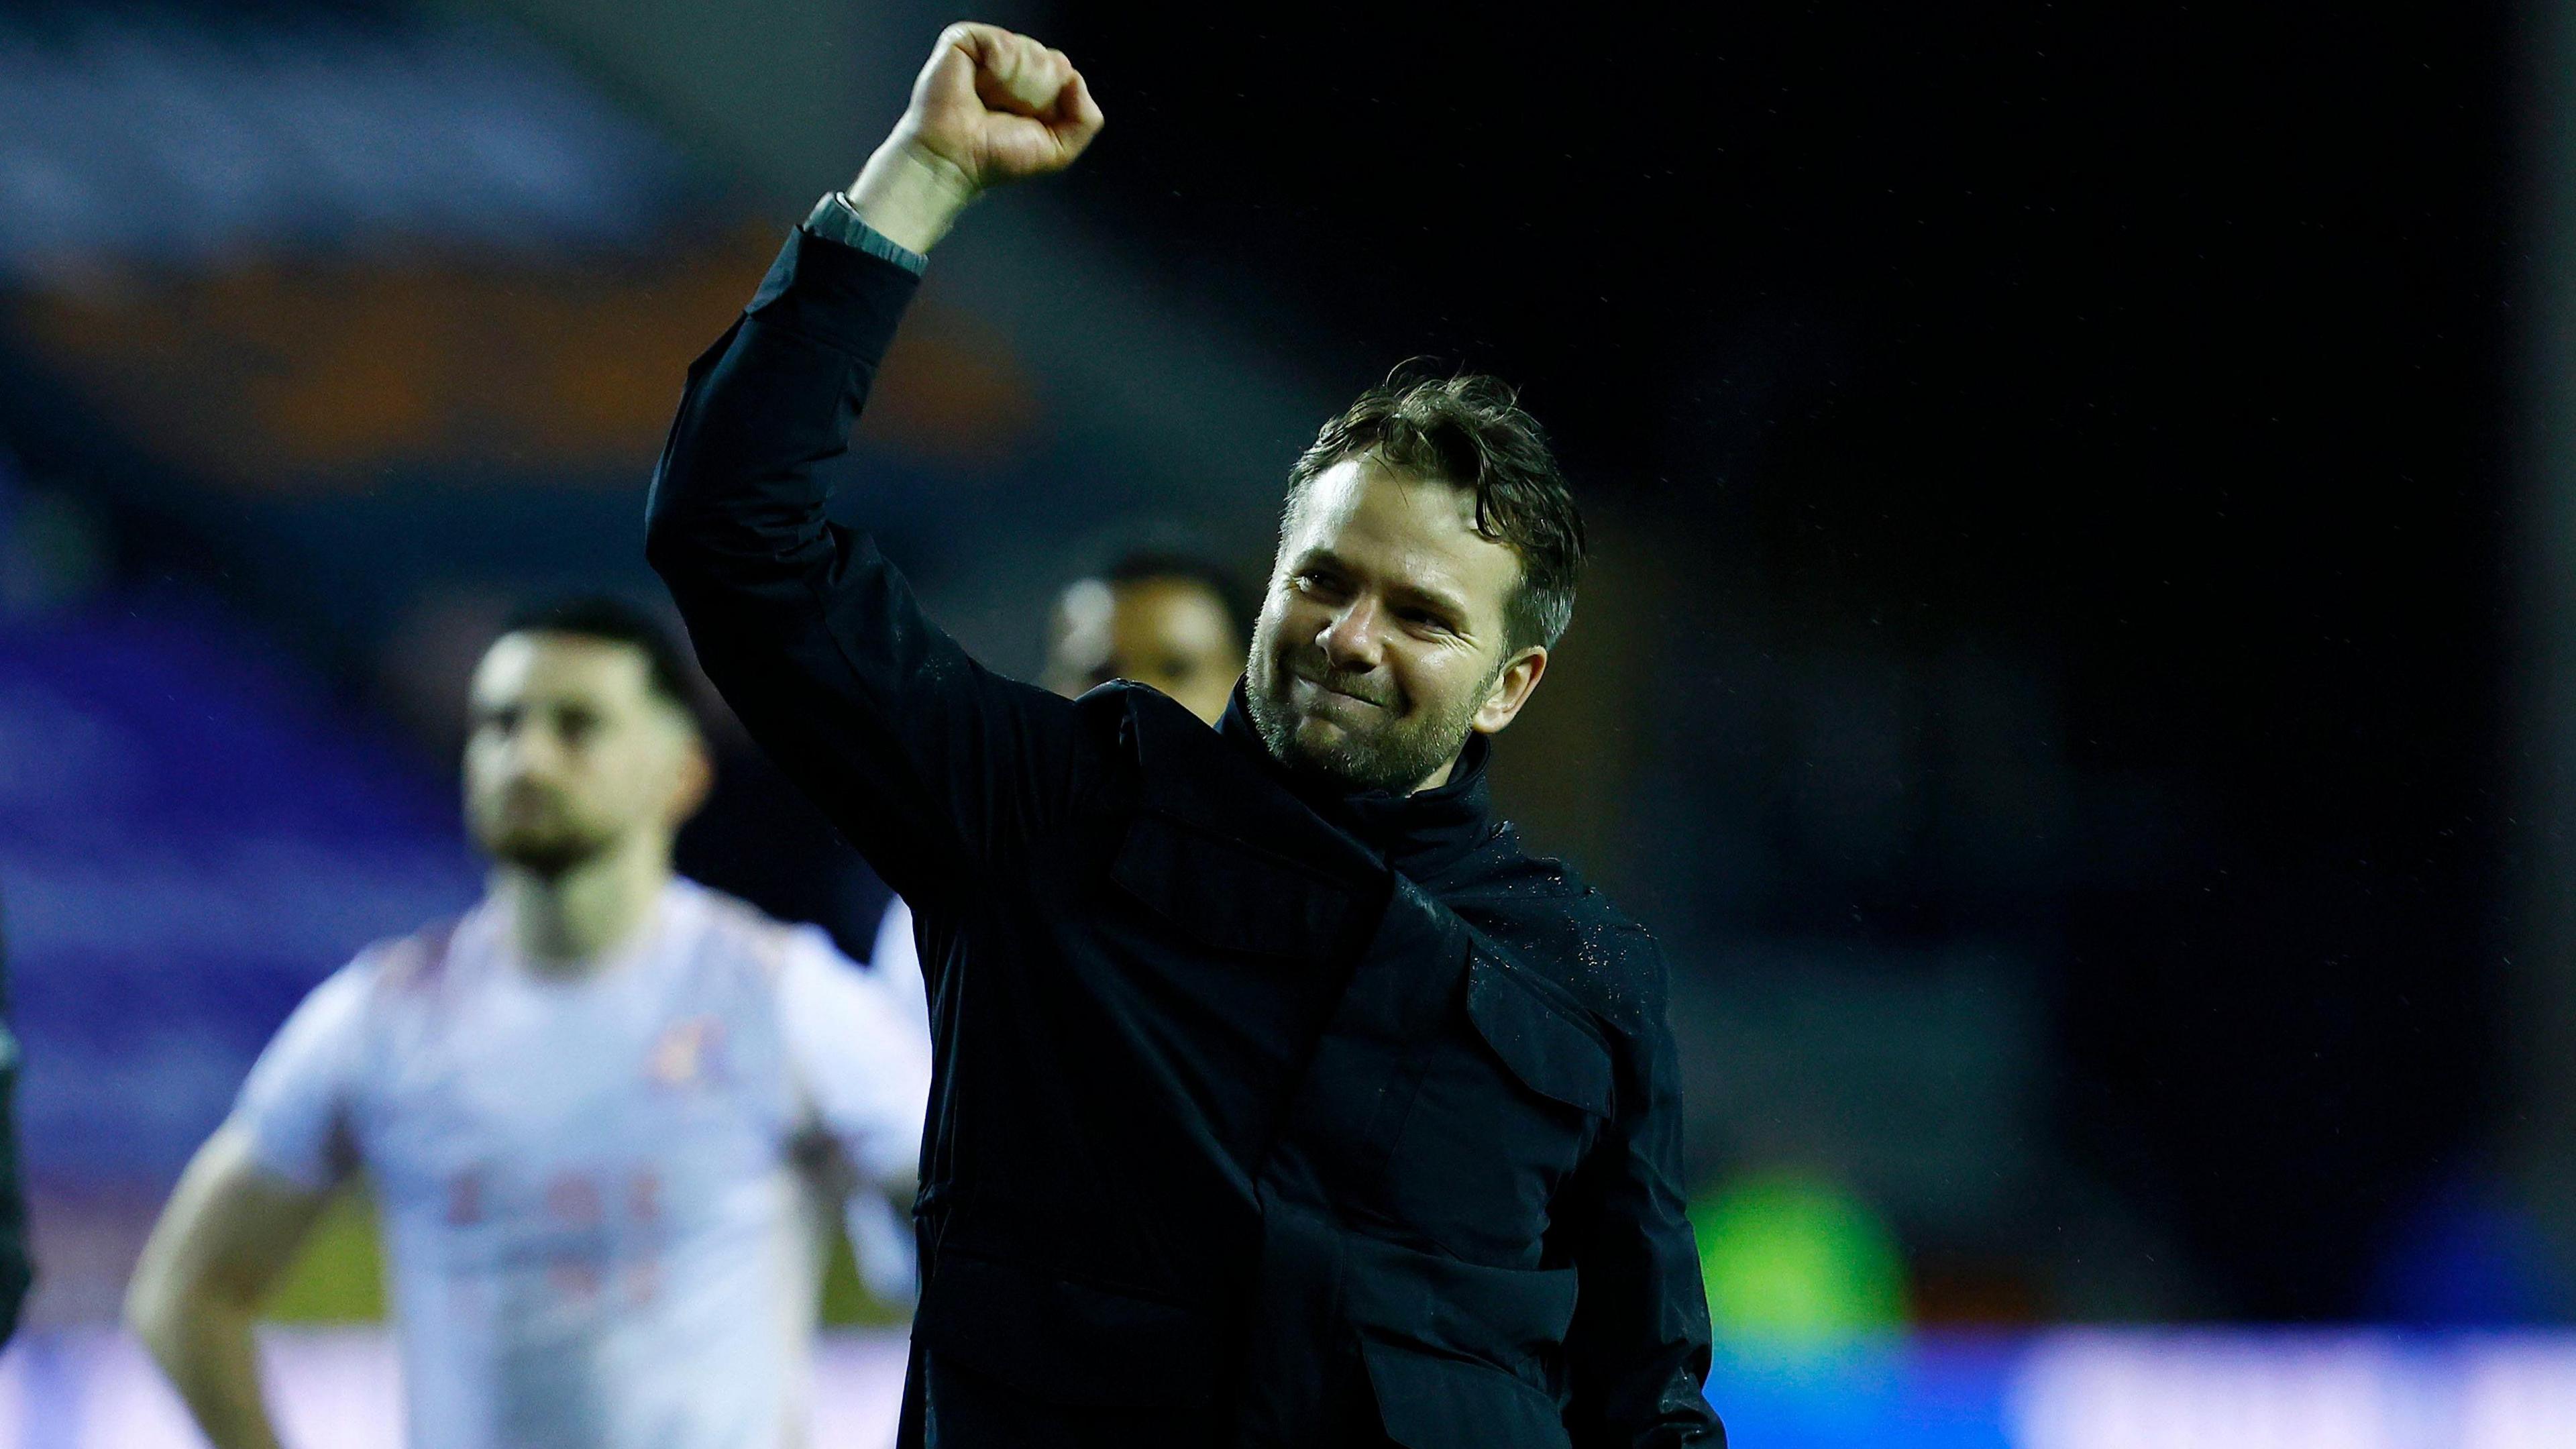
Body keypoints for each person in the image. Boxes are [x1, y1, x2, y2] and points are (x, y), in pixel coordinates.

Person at [647, 23, 1721, 1449]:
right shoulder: (1046, 809)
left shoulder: (1587, 974)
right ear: (1271, 578)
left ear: (1512, 685)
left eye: (1421, 615)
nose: (1349, 636)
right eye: (1324, 580)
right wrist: (922, 179)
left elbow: (1645, 1402)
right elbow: (735, 537)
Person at [124, 598, 932, 1449]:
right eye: (501, 724)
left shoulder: (781, 996)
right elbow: (183, 1293)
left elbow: (984, 1229)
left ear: (683, 772)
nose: (528, 757)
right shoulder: (386, 1016)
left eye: (577, 726)